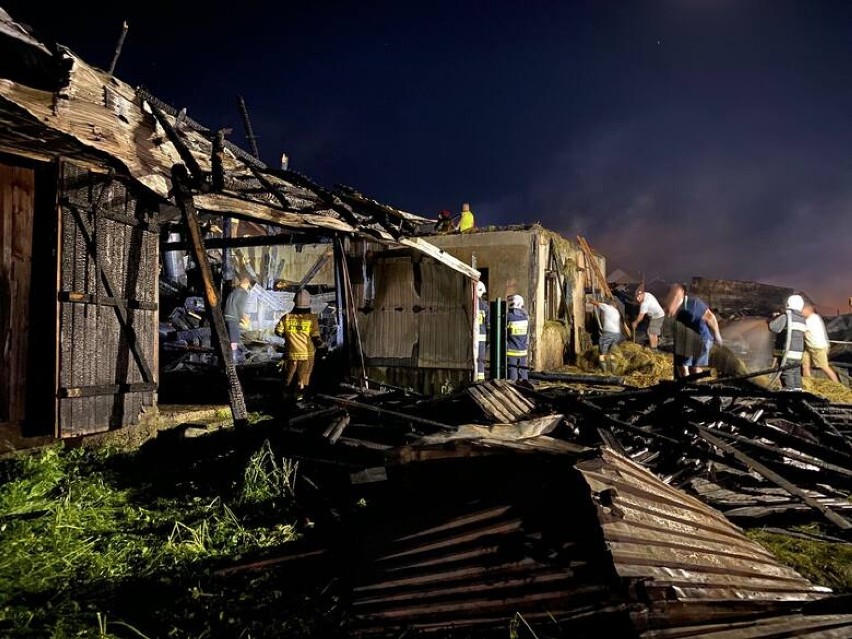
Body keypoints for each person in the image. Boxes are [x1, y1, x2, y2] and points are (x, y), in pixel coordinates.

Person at [664, 283, 723, 379]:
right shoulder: (673, 309)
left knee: (695, 367)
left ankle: (697, 386)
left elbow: (710, 317)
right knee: (684, 366)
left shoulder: (694, 304)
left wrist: (717, 334)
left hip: (702, 339)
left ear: (682, 293)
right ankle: (686, 386)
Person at [274, 289, 324, 400]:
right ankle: (299, 398)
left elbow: (278, 331)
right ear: (309, 303)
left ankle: (285, 397)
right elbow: (316, 337)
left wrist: (289, 336)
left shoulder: (286, 317)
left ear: (294, 302)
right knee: (303, 377)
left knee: (288, 376)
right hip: (307, 355)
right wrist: (320, 344)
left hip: (291, 354)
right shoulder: (312, 318)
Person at [768, 294, 808, 390]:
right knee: (795, 372)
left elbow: (773, 327)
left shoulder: (786, 316)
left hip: (788, 351)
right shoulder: (802, 319)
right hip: (798, 353)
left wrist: (775, 318)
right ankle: (798, 391)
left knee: (786, 372)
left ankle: (789, 393)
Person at [801, 302, 840, 383]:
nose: (801, 312)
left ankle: (837, 384)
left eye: (802, 310)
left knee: (824, 367)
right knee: (805, 364)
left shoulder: (811, 320)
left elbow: (802, 331)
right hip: (810, 346)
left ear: (808, 310)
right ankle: (808, 383)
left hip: (817, 348)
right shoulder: (815, 317)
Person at [223, 274, 252, 364]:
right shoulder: (243, 293)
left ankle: (233, 357)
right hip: (233, 317)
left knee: (231, 337)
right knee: (234, 339)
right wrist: (243, 318)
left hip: (227, 316)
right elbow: (240, 308)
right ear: (247, 283)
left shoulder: (234, 291)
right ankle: (233, 360)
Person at [590, 298, 623, 373]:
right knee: (612, 352)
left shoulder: (607, 307)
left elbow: (597, 303)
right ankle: (613, 371)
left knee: (602, 352)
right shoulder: (617, 312)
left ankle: (604, 371)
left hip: (608, 333)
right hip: (617, 334)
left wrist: (590, 300)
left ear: (610, 304)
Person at [506, 294, 529, 382]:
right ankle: (525, 387)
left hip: (512, 351)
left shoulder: (508, 317)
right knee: (523, 370)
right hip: (523, 351)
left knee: (512, 370)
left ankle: (514, 388)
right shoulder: (525, 318)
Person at [475, 281, 489, 381]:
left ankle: (473, 377)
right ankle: (480, 379)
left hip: (470, 337)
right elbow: (489, 324)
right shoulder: (484, 306)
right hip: (481, 338)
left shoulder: (468, 304)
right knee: (480, 359)